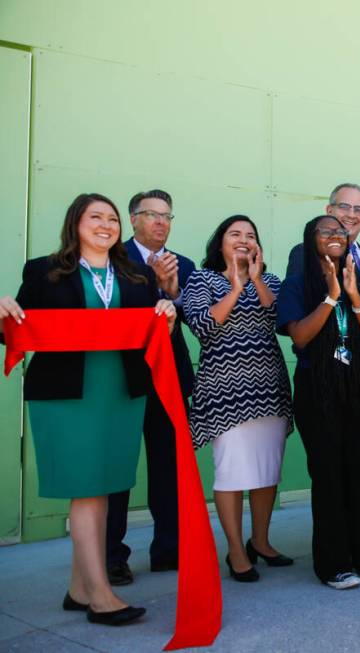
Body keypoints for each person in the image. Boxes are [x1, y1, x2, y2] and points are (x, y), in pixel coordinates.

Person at [0, 193, 176, 626]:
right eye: (95, 217)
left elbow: (154, 331)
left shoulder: (135, 274)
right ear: (75, 223)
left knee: (105, 486)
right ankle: (100, 596)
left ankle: (79, 588)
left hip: (120, 392)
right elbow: (17, 331)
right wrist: (2, 313)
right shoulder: (44, 271)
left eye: (112, 218)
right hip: (66, 396)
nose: (106, 224)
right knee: (87, 490)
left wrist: (167, 311)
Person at [277, 215, 360, 588]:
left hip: (357, 389)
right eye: (326, 231)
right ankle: (332, 563)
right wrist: (330, 295)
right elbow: (300, 337)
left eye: (340, 232)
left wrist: (354, 295)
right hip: (319, 390)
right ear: (310, 238)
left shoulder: (355, 283)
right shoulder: (297, 285)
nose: (335, 236)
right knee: (329, 477)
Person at [183, 216, 294, 582]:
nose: (244, 240)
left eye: (250, 235)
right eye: (235, 234)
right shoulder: (202, 280)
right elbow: (201, 325)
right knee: (232, 473)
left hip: (269, 388)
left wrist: (256, 279)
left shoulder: (271, 280)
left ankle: (260, 541)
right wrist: (234, 287)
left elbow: (279, 318)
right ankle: (234, 549)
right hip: (224, 393)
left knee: (266, 471)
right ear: (220, 244)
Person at [105, 189, 196, 586]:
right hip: (121, 378)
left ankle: (168, 549)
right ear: (133, 218)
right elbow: (114, 315)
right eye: (152, 214)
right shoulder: (111, 258)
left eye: (167, 216)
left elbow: (193, 318)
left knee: (168, 467)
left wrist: (171, 291)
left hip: (169, 376)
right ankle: (111, 556)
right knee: (118, 470)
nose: (161, 222)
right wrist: (153, 288)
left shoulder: (184, 264)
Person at [286, 183, 360, 280]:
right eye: (344, 207)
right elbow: (299, 293)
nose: (351, 215)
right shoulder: (306, 251)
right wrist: (359, 291)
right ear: (329, 211)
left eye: (359, 209)